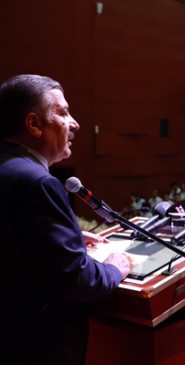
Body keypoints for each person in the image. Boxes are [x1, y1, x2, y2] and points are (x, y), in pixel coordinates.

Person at [0, 74, 133, 364]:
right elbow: (74, 280)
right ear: (34, 124)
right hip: (33, 345)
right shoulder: (38, 183)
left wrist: (64, 240)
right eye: (62, 112)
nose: (74, 123)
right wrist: (114, 269)